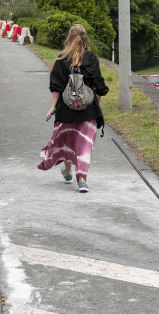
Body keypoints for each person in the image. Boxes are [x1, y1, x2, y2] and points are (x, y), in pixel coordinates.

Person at [37, 24, 109, 193]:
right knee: (84, 144)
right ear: (85, 39)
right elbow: (99, 86)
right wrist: (96, 105)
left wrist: (52, 107)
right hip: (88, 110)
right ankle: (82, 179)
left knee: (67, 140)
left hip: (66, 110)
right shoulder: (91, 58)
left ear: (68, 39)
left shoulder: (62, 58)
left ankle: (68, 172)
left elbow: (56, 86)